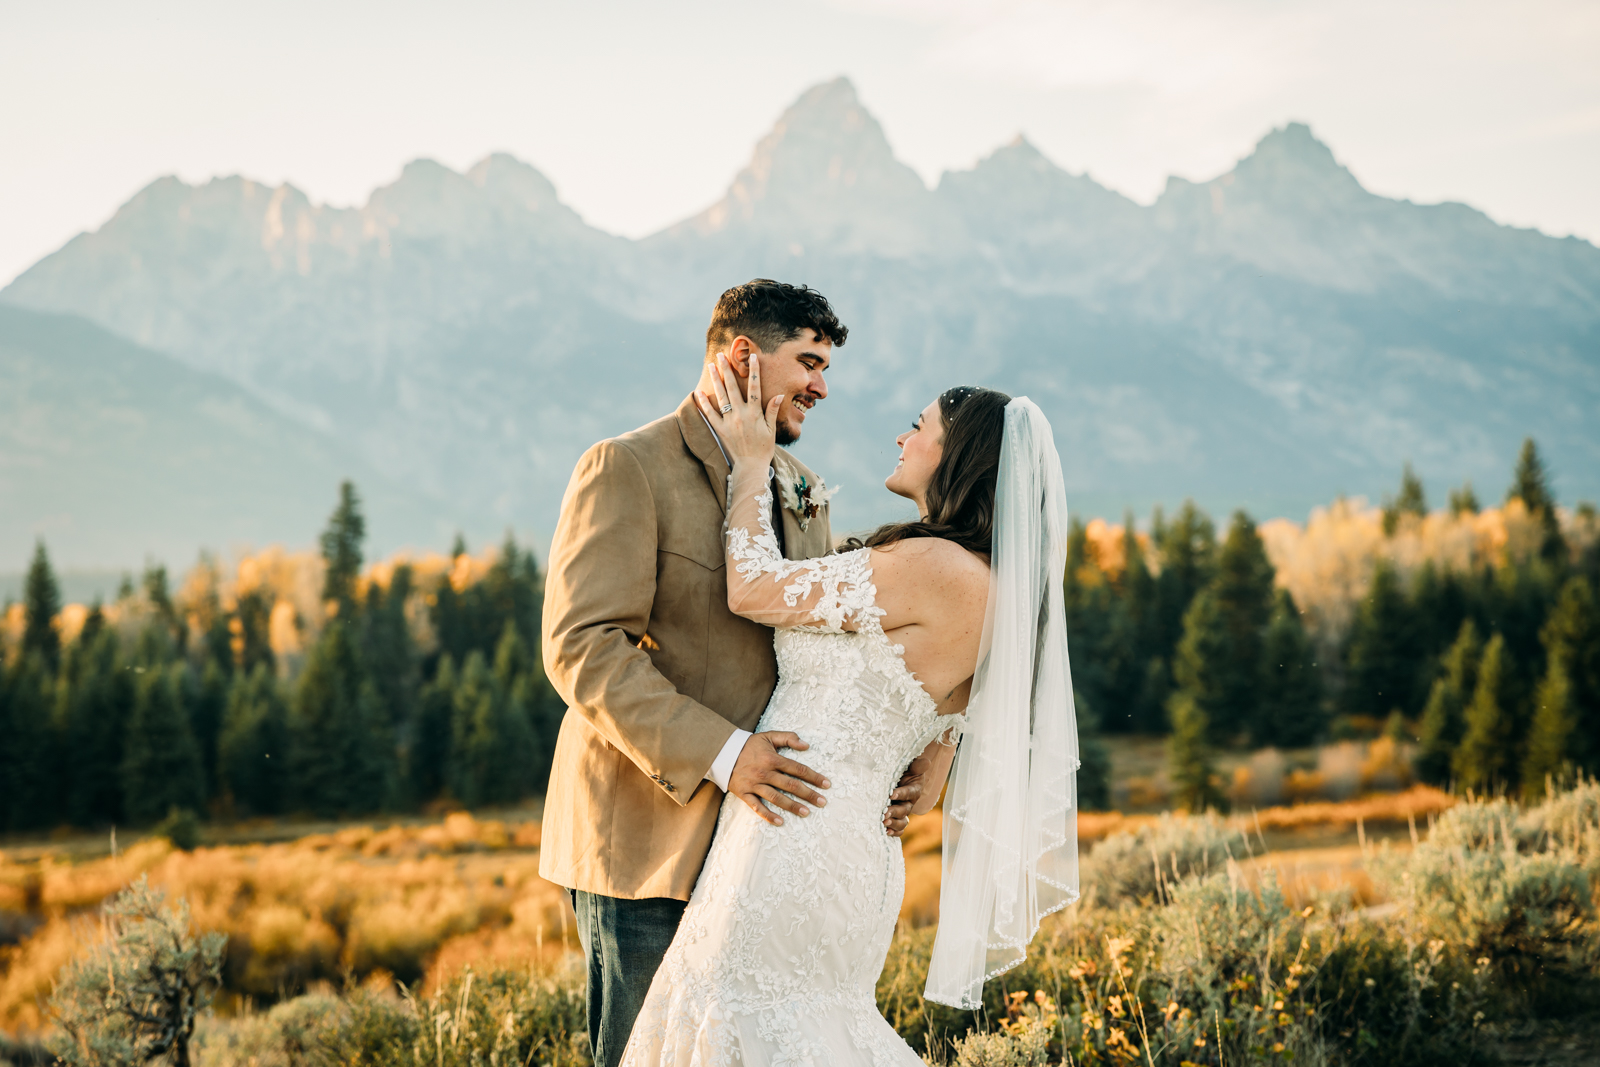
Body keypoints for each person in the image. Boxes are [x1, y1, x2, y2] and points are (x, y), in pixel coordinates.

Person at [619, 356, 1081, 1065]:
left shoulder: (927, 566)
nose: (904, 437)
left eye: (919, 425)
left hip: (790, 834)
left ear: (956, 456)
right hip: (861, 855)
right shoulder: (999, 593)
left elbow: (752, 588)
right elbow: (950, 709)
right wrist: (939, 749)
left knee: (742, 1019)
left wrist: (750, 463)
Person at [540, 280, 931, 1067]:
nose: (822, 386)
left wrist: (914, 749)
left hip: (762, 853)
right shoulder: (627, 466)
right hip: (646, 845)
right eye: (809, 362)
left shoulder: (800, 485)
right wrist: (726, 753)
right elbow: (582, 645)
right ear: (744, 356)